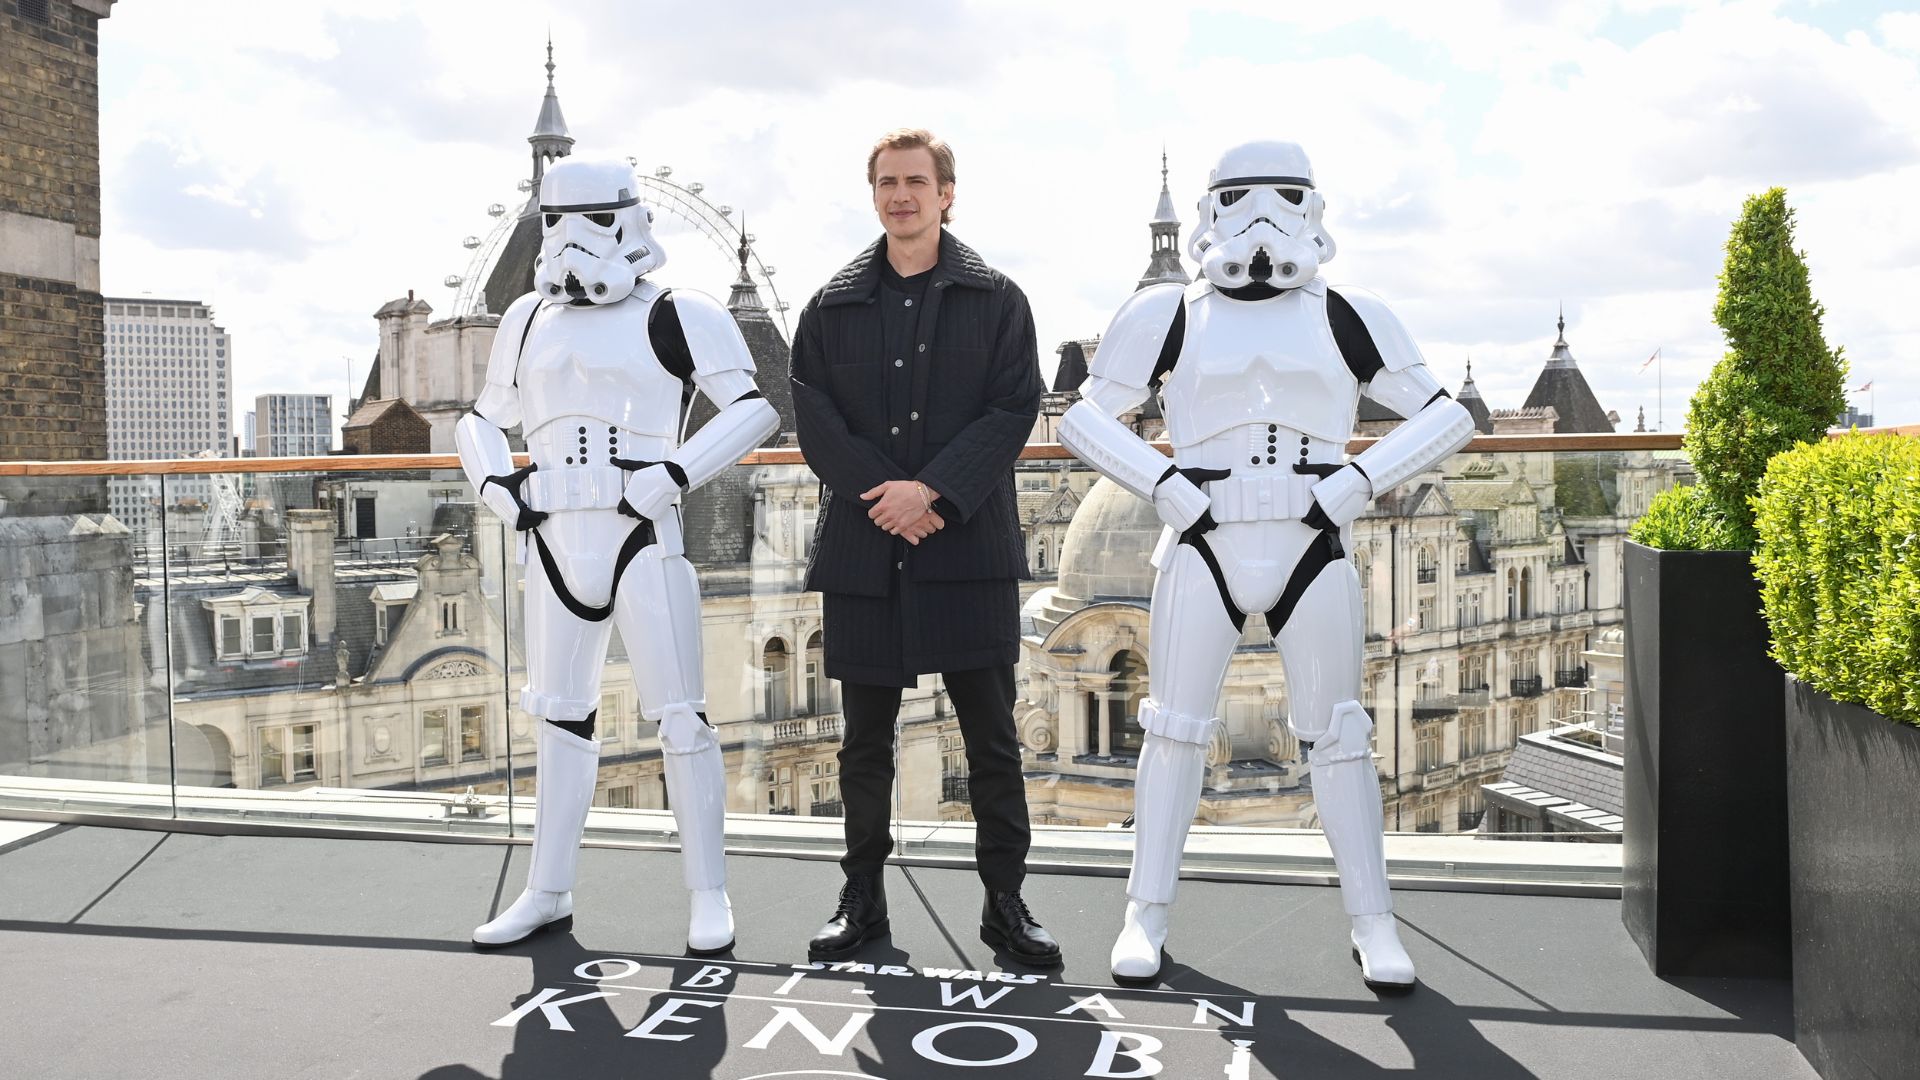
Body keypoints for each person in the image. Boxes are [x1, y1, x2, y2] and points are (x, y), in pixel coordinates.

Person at [1059, 140, 1477, 989]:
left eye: (1281, 196)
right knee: (1173, 730)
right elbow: (1083, 419)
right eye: (1241, 197)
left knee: (1342, 736)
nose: (1260, 216)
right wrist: (1168, 485)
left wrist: (1357, 481)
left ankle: (1373, 921)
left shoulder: (1350, 314)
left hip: (1309, 539)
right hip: (1204, 537)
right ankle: (1146, 911)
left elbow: (1447, 417)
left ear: (1312, 208)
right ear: (1212, 209)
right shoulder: (1168, 314)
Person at [455, 157, 778, 953]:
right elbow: (480, 419)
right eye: (556, 221)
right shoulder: (527, 320)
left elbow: (753, 410)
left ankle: (709, 894)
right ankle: (546, 890)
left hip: (641, 531)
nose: (570, 239)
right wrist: (502, 490)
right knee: (559, 719)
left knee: (681, 719)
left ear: (628, 219)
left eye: (591, 219)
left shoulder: (681, 311)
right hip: (555, 534)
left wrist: (669, 474)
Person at [789, 127, 1057, 966]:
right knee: (862, 746)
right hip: (869, 553)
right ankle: (861, 904)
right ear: (873, 195)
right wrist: (894, 498)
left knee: (992, 744)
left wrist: (930, 492)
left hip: (964, 549)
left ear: (947, 192)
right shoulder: (829, 305)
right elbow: (812, 417)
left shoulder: (1000, 298)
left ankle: (1005, 909)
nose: (900, 195)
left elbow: (1014, 408)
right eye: (885, 183)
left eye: (915, 181)